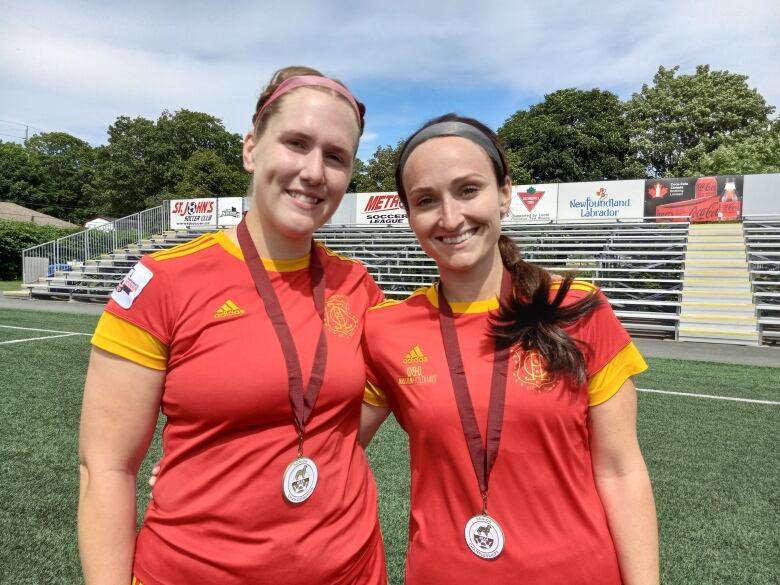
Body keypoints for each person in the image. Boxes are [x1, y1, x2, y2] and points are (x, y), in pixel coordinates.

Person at [78, 66, 387, 585]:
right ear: (251, 148)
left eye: (335, 157)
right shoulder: (162, 282)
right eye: (296, 143)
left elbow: (349, 422)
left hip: (350, 570)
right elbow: (105, 470)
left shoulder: (358, 287)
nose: (314, 172)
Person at [359, 114, 659, 584]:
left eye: (468, 190)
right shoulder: (385, 330)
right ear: (410, 214)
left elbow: (621, 471)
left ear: (504, 193)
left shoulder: (577, 307)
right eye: (426, 200)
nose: (450, 217)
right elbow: (329, 447)